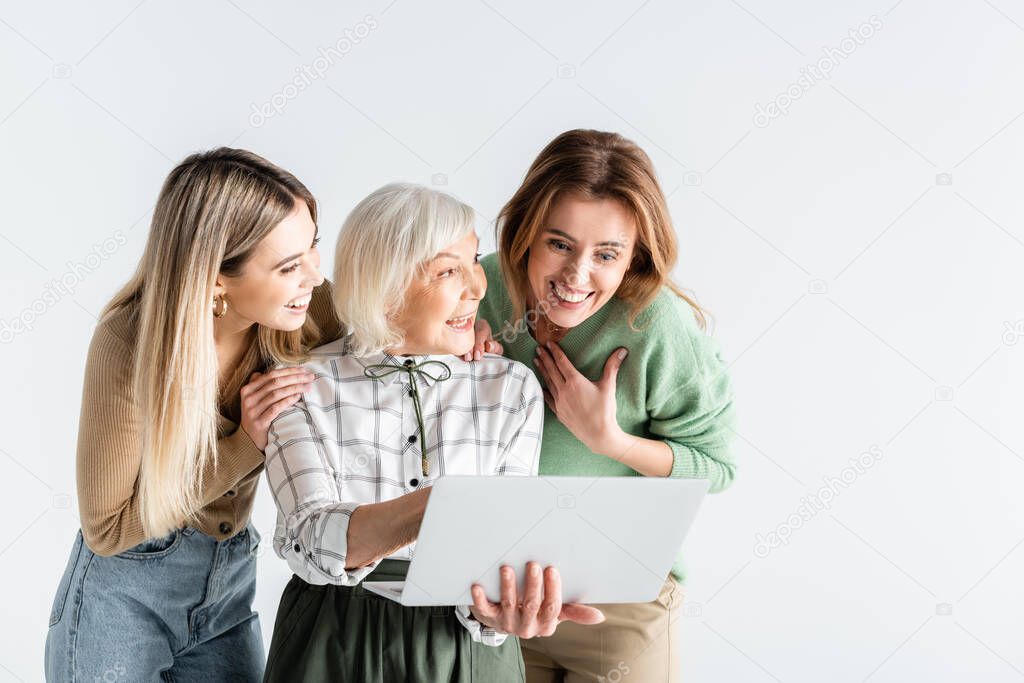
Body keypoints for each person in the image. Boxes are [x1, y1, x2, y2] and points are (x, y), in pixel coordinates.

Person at [262, 183, 604, 683]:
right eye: (448, 271)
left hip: (465, 639)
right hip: (332, 635)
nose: (477, 288)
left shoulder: (509, 387)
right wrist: (441, 506)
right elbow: (308, 539)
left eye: (474, 262)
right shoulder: (303, 384)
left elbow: (505, 547)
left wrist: (503, 608)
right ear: (387, 284)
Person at [45, 148, 338, 681]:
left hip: (228, 585)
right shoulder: (129, 344)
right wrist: (245, 444)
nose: (315, 277)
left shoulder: (306, 309)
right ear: (217, 279)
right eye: (289, 266)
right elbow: (107, 529)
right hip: (123, 597)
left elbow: (399, 331)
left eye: (313, 246)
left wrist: (466, 333)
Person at [468, 129, 738, 682]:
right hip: (501, 598)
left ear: (634, 254)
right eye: (559, 244)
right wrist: (445, 353)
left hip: (622, 602)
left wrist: (608, 440)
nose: (575, 276)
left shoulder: (658, 328)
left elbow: (717, 469)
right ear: (525, 231)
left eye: (606, 254)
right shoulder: (478, 286)